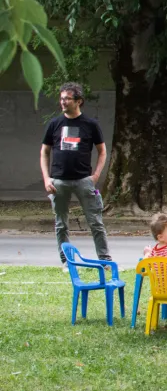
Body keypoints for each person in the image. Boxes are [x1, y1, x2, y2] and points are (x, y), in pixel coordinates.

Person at [40, 82, 111, 268]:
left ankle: (104, 260)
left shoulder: (90, 124)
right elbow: (44, 152)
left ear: (78, 101)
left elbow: (102, 151)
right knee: (61, 224)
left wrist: (95, 176)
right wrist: (47, 178)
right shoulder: (54, 123)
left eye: (67, 98)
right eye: (61, 98)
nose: (63, 102)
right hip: (59, 181)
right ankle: (66, 261)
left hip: (83, 181)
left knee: (95, 222)